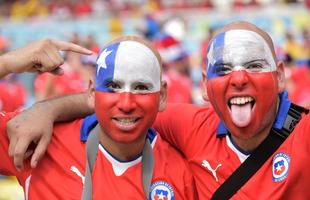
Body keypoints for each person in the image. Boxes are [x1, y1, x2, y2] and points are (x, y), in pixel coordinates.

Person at [8, 21, 310, 199]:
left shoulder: (304, 134)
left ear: (280, 76)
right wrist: (19, 76)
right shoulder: (189, 127)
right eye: (224, 68)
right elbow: (124, 111)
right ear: (205, 85)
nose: (239, 78)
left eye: (255, 65)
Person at [1, 36, 197, 199]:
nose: (126, 104)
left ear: (161, 96)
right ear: (92, 92)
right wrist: (6, 63)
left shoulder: (182, 171)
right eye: (113, 87)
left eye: (141, 88)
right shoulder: (41, 143)